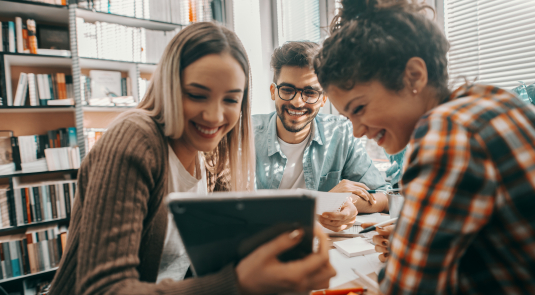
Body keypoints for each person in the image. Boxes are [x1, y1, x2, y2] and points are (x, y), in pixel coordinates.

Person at [49, 22, 335, 295]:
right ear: (169, 88)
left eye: (231, 99)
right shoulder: (135, 140)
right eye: (197, 95)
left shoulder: (212, 153)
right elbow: (103, 289)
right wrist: (237, 285)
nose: (214, 116)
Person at [314, 0, 535, 294]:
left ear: (414, 76)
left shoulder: (448, 131)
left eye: (360, 108)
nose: (356, 131)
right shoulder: (493, 101)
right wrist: (416, 238)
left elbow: (405, 289)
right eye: (347, 117)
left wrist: (409, 251)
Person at [254, 41, 390, 232]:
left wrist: (347, 203)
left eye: (309, 92)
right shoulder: (246, 136)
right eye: (287, 90)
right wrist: (322, 202)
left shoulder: (340, 132)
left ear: (323, 98)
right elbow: (242, 210)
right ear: (273, 92)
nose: (297, 101)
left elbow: (382, 196)